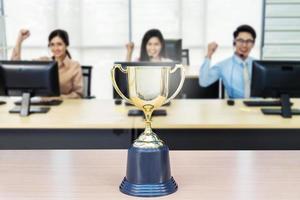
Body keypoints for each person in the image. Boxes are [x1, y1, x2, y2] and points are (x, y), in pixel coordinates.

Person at [11, 29, 83, 99]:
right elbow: (17, 66)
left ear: (66, 45)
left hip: (65, 107)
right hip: (43, 106)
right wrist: (19, 41)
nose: (55, 48)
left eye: (59, 44)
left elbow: (78, 94)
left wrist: (58, 98)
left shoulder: (74, 66)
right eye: (52, 44)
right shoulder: (43, 62)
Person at [199, 24, 257, 99]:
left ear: (253, 44)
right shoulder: (223, 65)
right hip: (234, 106)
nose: (244, 45)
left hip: (257, 106)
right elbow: (204, 82)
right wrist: (209, 54)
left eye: (249, 41)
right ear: (234, 42)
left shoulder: (259, 65)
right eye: (240, 40)